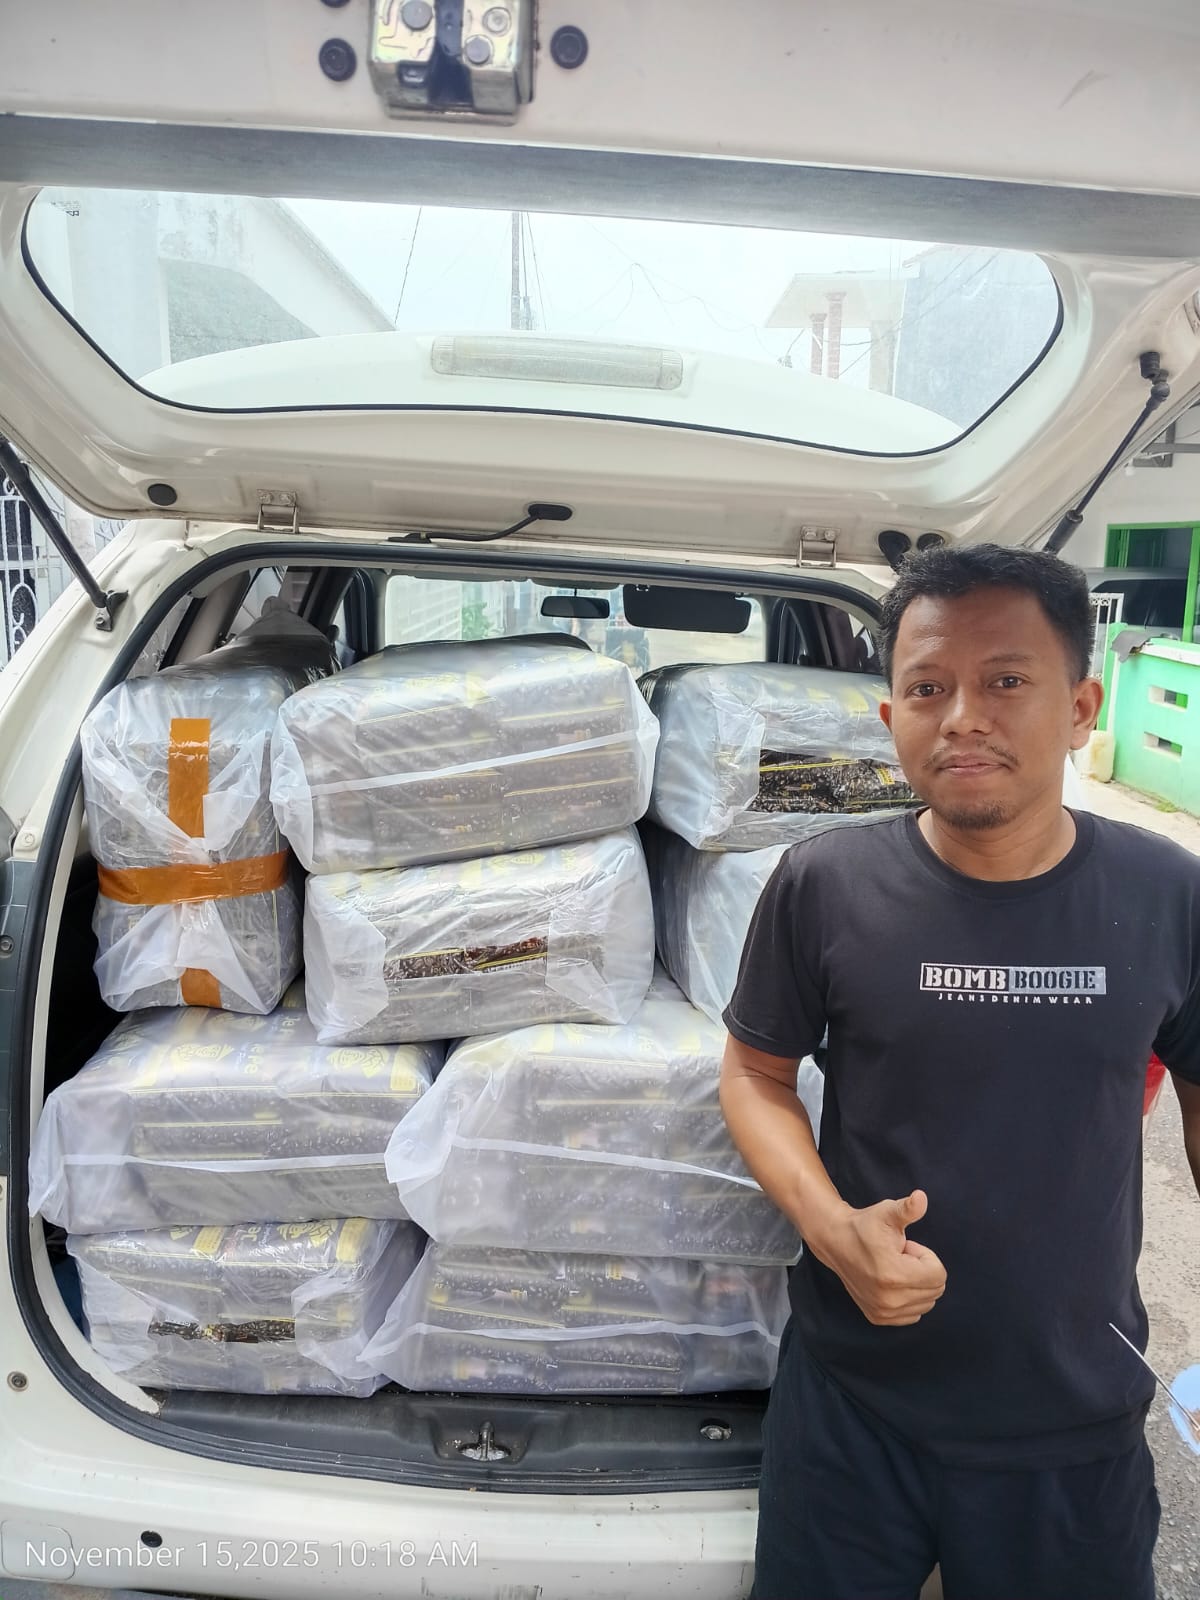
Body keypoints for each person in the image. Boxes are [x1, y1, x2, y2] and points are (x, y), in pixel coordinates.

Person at [720, 544, 1200, 1600]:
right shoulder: (824, 884)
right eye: (929, 688)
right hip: (852, 1406)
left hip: (1071, 1417)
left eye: (1007, 681)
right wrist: (832, 1231)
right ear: (890, 717)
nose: (963, 717)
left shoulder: (1168, 893)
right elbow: (754, 1074)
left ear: (1081, 709)